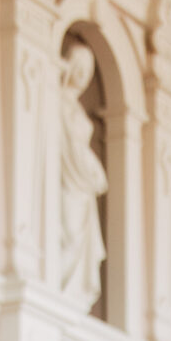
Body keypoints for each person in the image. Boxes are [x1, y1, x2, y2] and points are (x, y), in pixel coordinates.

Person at [57, 40, 108, 311]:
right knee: (67, 234)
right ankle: (61, 288)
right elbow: (64, 143)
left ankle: (73, 293)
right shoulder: (57, 101)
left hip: (81, 185)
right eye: (80, 66)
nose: (83, 74)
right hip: (66, 181)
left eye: (88, 70)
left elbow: (79, 147)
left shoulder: (76, 107)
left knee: (78, 237)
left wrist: (92, 170)